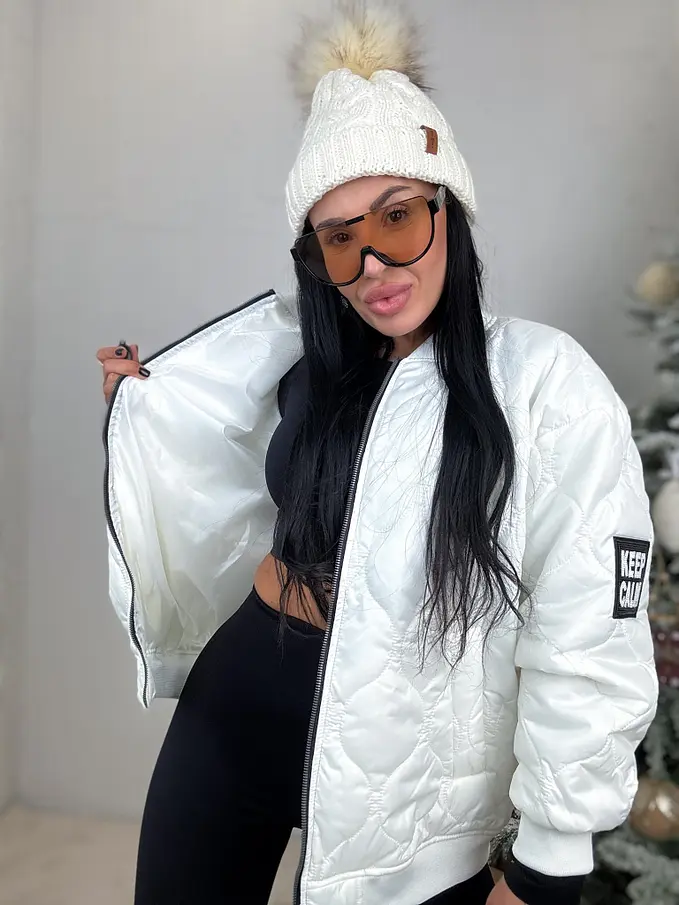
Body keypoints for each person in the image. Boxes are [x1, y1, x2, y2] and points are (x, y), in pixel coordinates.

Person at [97, 4, 658, 904]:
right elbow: (217, 453)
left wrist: (547, 865)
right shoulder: (311, 362)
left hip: (404, 774)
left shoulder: (546, 385)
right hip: (237, 701)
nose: (372, 266)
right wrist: (144, 412)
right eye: (340, 240)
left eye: (396, 218)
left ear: (448, 211)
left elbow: (588, 631)